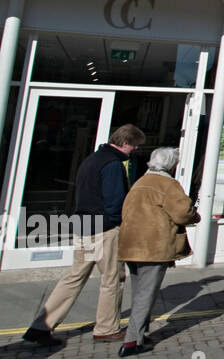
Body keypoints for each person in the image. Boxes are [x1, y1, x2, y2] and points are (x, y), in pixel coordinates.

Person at [23, 124, 145, 347]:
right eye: (135, 147)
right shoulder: (113, 165)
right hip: (104, 229)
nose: (134, 151)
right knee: (112, 279)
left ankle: (41, 326)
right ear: (126, 143)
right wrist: (119, 222)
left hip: (84, 224)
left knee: (74, 277)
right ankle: (107, 328)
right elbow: (115, 201)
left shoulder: (92, 159)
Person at [116, 147, 199, 358]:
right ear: (172, 165)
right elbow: (183, 213)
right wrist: (194, 216)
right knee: (146, 293)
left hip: (131, 244)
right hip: (152, 246)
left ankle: (140, 333)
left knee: (139, 292)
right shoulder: (168, 185)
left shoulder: (140, 182)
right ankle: (132, 340)